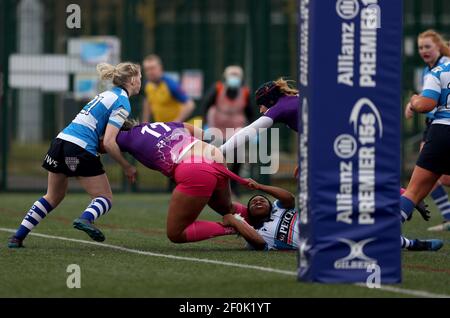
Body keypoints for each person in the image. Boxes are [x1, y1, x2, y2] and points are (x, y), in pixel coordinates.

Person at [7, 62, 141, 248]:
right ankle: (85, 219)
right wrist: (127, 166)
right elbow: (109, 142)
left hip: (60, 143)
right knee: (104, 197)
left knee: (52, 196)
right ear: (133, 80)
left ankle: (17, 237)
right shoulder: (123, 101)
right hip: (79, 149)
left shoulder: (106, 95)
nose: (141, 82)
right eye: (140, 78)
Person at [114, 119, 250, 244]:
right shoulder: (162, 125)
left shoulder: (122, 137)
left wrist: (126, 166)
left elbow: (105, 143)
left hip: (195, 169)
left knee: (176, 233)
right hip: (214, 155)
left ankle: (234, 226)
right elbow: (203, 134)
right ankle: (267, 218)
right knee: (227, 208)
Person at [224, 181, 443, 252]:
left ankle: (405, 200)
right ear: (250, 216)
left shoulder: (280, 208)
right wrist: (233, 218)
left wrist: (259, 186)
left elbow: (289, 197)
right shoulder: (258, 233)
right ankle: (411, 236)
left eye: (261, 199)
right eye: (253, 203)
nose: (258, 201)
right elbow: (257, 241)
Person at [404, 30, 450, 231]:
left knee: (420, 185)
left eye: (428, 46)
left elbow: (426, 103)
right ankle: (448, 216)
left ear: (439, 46)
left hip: (440, 129)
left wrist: (414, 101)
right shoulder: (428, 70)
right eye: (421, 47)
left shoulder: (440, 69)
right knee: (434, 178)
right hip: (433, 127)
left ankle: (384, 229)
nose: (423, 51)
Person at [202, 65, 253, 197]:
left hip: (236, 128)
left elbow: (250, 112)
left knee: (238, 155)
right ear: (225, 76)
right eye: (232, 74)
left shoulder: (245, 92)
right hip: (217, 127)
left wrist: (253, 130)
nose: (234, 77)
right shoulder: (218, 88)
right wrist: (205, 124)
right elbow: (206, 105)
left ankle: (234, 187)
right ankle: (213, 186)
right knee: (215, 156)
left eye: (236, 75)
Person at [141, 54, 195, 123]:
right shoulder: (148, 85)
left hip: (176, 128)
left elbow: (190, 104)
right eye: (147, 69)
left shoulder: (170, 84)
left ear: (160, 68)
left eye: (152, 68)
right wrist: (144, 123)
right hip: (162, 127)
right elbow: (147, 103)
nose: (149, 72)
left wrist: (176, 122)